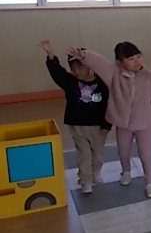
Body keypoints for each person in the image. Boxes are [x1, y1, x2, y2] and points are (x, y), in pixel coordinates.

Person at [67, 42, 151, 198]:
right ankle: (126, 171)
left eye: (138, 57)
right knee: (123, 152)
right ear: (120, 62)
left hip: (144, 123)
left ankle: (150, 183)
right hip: (123, 124)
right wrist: (85, 56)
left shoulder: (150, 77)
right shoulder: (114, 75)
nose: (137, 61)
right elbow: (99, 63)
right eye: (131, 59)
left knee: (146, 155)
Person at [39, 40, 110, 194]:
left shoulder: (103, 84)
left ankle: (96, 172)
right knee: (84, 154)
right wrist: (50, 55)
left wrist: (107, 125)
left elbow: (108, 105)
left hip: (98, 126)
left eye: (80, 67)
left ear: (89, 67)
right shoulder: (70, 82)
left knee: (97, 154)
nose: (77, 72)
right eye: (73, 68)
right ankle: (85, 180)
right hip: (78, 125)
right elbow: (57, 72)